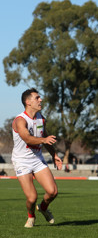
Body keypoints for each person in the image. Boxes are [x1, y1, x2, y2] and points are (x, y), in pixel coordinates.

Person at [12, 88, 63, 228]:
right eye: (37, 98)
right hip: (22, 161)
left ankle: (43, 208)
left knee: (53, 192)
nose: (40, 100)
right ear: (28, 102)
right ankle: (31, 216)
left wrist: (54, 155)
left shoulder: (41, 117)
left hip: (37, 159)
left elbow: (45, 137)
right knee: (32, 197)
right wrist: (44, 140)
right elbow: (27, 139)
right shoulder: (20, 120)